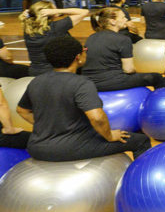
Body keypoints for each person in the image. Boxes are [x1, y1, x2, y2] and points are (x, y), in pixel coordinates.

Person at [16, 36, 151, 161]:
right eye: (84, 50)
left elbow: (22, 110)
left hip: (37, 148)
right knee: (141, 141)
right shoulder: (81, 83)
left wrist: (47, 128)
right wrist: (109, 135)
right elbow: (96, 117)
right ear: (78, 57)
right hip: (69, 148)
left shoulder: (36, 81)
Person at [81, 7, 164, 91]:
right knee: (156, 77)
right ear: (112, 21)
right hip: (110, 82)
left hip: (89, 82)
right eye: (123, 17)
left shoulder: (91, 37)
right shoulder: (123, 39)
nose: (126, 19)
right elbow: (128, 69)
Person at [21, 1, 90, 75]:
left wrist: (30, 12)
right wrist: (58, 11)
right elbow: (84, 12)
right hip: (54, 73)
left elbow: (27, 16)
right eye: (54, 9)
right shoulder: (56, 27)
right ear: (49, 13)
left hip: (35, 71)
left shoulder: (28, 29)